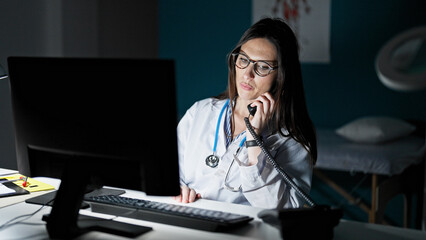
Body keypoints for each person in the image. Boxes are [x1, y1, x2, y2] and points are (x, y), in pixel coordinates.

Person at [174, 17, 317, 209]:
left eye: (263, 66)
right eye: (243, 60)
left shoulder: (291, 139)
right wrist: (179, 188)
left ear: (281, 76)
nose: (247, 74)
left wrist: (254, 140)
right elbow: (169, 172)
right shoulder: (201, 112)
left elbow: (286, 211)